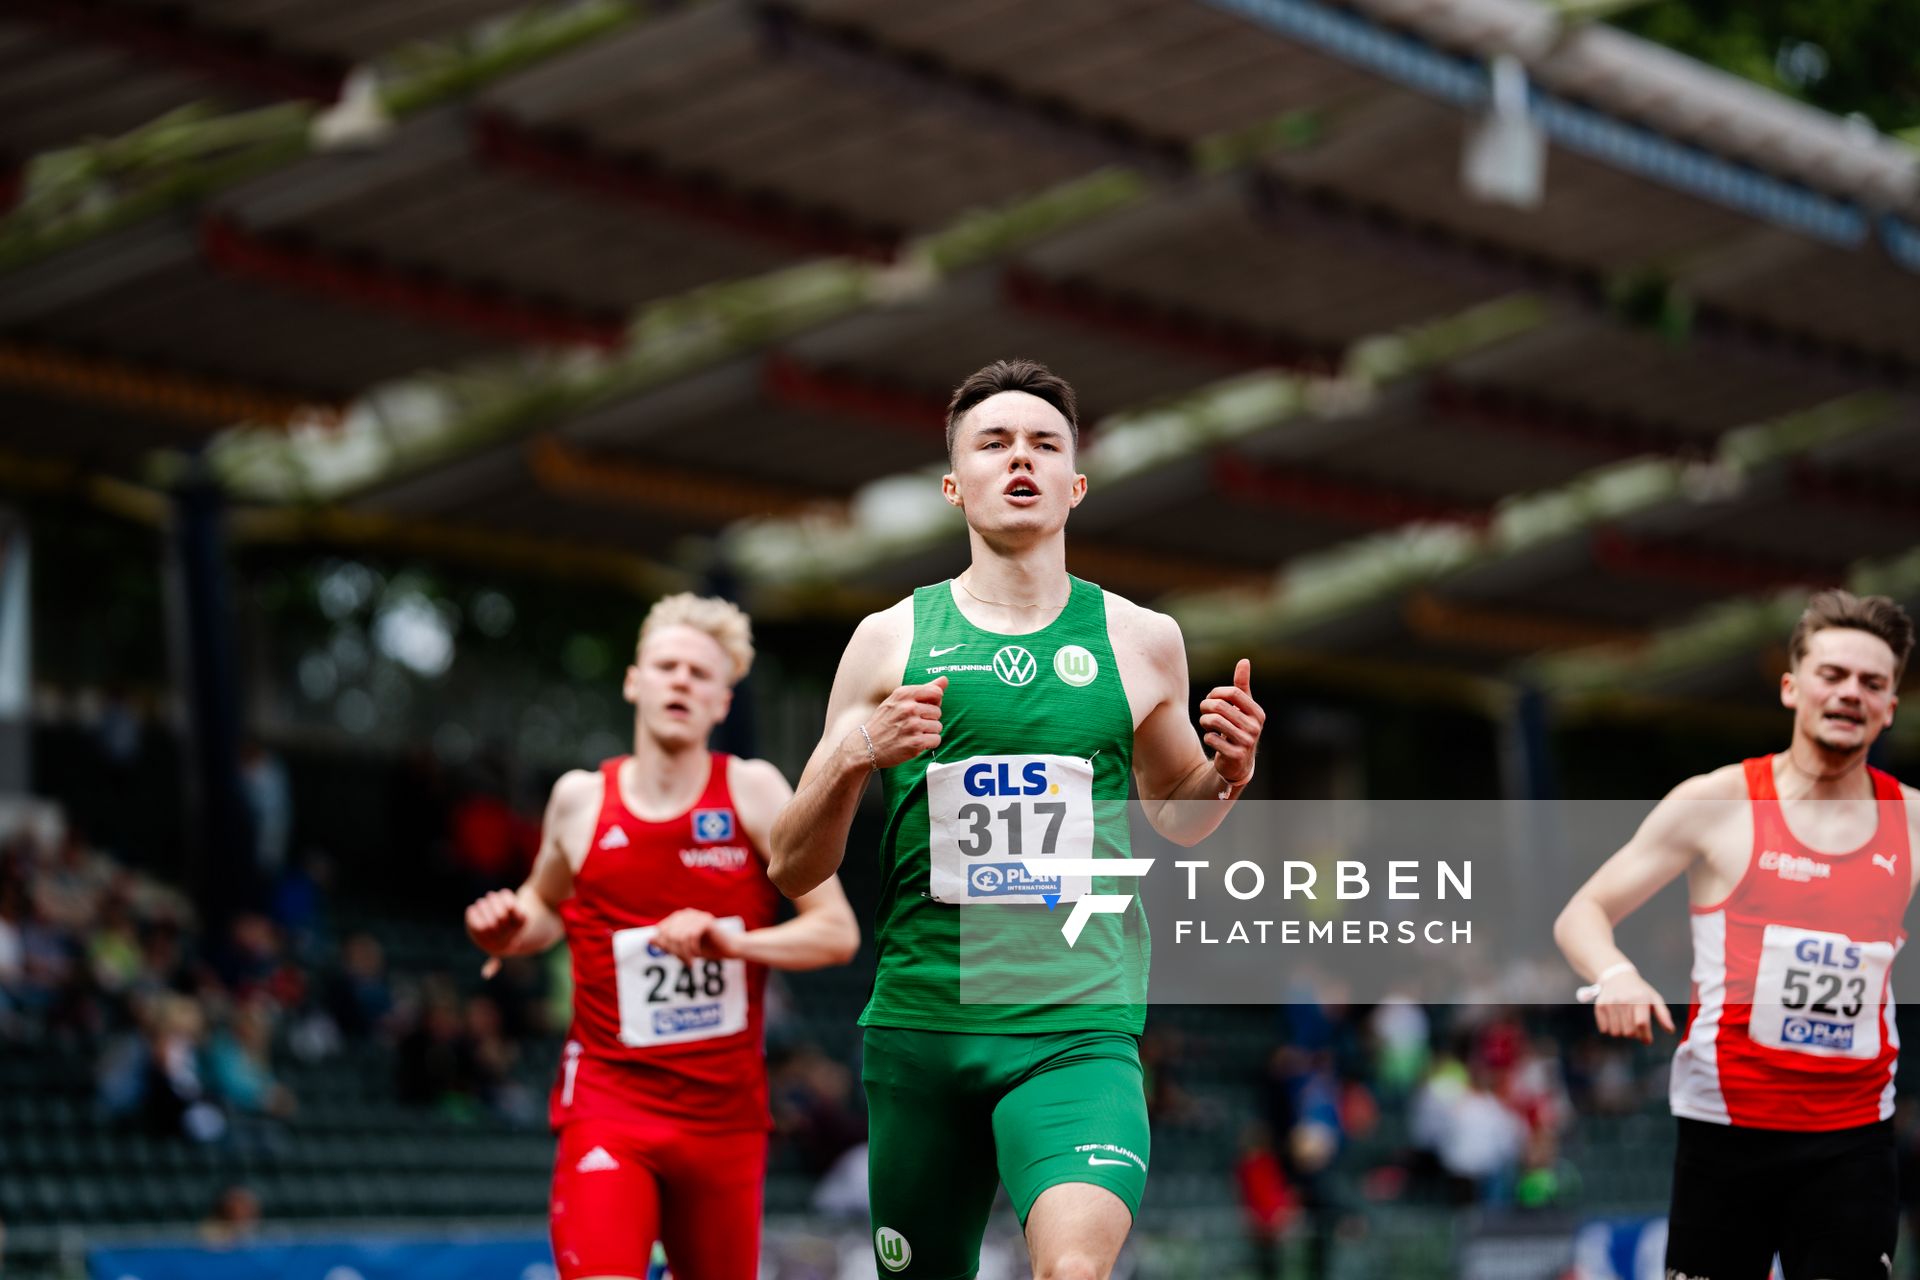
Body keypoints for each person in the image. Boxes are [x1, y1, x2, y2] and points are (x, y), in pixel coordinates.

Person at [769, 359, 1265, 1280]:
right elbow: (793, 868)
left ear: (1076, 485)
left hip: (1078, 1024)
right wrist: (852, 752)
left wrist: (1227, 776)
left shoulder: (1142, 640)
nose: (1020, 460)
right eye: (993, 444)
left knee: (1072, 1270)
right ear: (955, 485)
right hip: (925, 1027)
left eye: (1044, 444)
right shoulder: (889, 640)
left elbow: (1178, 816)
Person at [464, 595, 860, 1280]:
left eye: (700, 674)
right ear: (633, 681)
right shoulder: (580, 799)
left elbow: (836, 930)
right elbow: (545, 907)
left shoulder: (753, 791)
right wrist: (508, 925)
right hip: (609, 1105)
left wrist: (730, 943)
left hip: (724, 1119)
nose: (681, 681)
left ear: (722, 701)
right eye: (666, 666)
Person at [1555, 589, 1917, 1278]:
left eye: (1872, 683)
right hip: (1726, 1132)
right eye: (1833, 675)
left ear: (1890, 708)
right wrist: (1616, 975)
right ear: (1792, 687)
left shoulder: (1913, 821)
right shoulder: (1716, 804)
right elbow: (1584, 912)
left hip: (1854, 1138)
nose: (1850, 694)